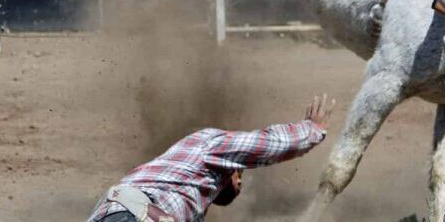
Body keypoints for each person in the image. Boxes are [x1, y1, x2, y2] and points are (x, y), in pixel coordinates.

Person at [88, 94, 335, 222]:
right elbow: (265, 144)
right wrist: (311, 129)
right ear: (232, 169)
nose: (241, 185)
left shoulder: (181, 189)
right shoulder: (207, 143)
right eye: (241, 173)